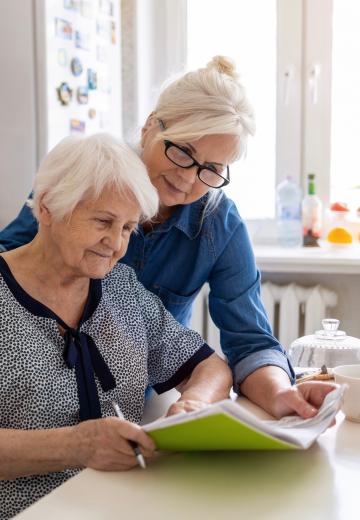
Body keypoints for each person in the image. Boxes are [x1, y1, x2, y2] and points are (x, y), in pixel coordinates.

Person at [0, 55, 337, 422]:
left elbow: (249, 342)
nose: (189, 178)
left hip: (135, 400)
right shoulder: (89, 177)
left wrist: (281, 394)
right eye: (183, 152)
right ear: (150, 127)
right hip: (35, 402)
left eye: (210, 170)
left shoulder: (218, 225)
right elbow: (13, 265)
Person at [0, 134, 232, 520]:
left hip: (128, 506)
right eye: (103, 222)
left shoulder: (121, 288)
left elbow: (210, 366)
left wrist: (195, 405)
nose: (115, 244)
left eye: (127, 228)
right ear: (47, 208)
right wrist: (75, 446)